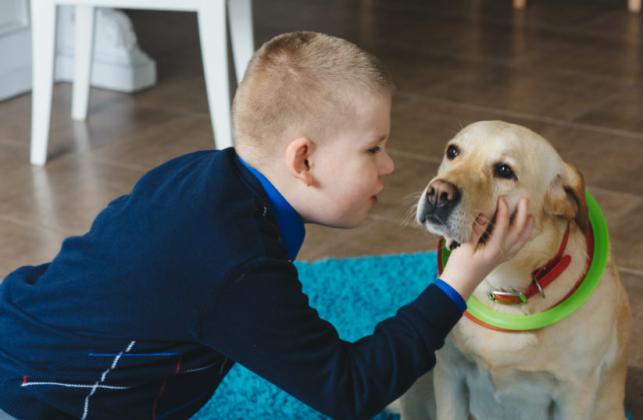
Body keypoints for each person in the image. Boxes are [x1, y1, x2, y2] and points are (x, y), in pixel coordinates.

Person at [0, 32, 532, 420]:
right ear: (302, 160)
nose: (390, 166)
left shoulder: (205, 175)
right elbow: (349, 390)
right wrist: (458, 280)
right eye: (374, 148)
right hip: (38, 398)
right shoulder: (235, 266)